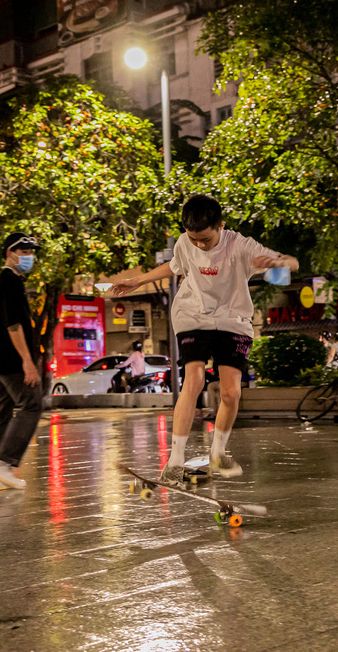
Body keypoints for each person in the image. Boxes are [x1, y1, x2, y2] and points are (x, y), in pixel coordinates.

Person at [112, 194, 299, 485]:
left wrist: (278, 261)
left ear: (221, 226)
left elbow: (293, 264)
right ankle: (175, 459)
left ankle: (218, 452)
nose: (199, 245)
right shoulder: (185, 243)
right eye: (193, 239)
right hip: (192, 315)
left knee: (231, 393)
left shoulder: (240, 245)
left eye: (206, 240)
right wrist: (138, 280)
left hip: (232, 319)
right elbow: (175, 266)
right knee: (195, 379)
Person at [0, 232, 44, 491]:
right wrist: (27, 361)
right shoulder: (10, 281)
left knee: (0, 414)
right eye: (24, 252)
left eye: (31, 252)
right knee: (32, 404)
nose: (29, 257)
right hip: (10, 360)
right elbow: (13, 325)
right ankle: (3, 463)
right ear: (10, 253)